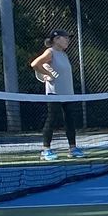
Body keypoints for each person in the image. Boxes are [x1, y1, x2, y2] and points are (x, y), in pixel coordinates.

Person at [28, 30, 84, 160]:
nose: (68, 41)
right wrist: (47, 75)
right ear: (57, 39)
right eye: (65, 38)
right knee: (52, 119)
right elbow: (35, 64)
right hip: (54, 93)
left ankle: (73, 148)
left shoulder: (64, 54)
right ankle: (46, 150)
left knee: (70, 120)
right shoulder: (50, 52)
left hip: (68, 94)